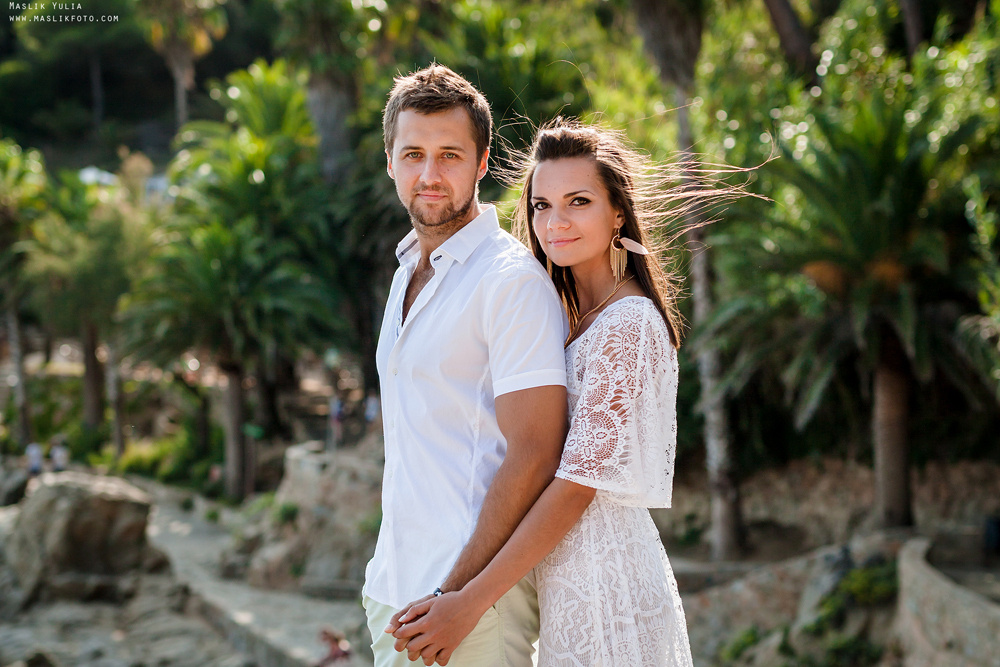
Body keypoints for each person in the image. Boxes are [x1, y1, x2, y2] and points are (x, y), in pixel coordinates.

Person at [387, 118, 702, 666]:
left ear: (618, 212)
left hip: (605, 587)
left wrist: (469, 601)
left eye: (578, 202)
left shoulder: (628, 323)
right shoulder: (570, 314)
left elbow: (575, 487)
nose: (555, 222)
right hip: (558, 582)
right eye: (541, 205)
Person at [363, 64, 570, 667]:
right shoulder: (406, 272)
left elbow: (536, 454)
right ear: (390, 162)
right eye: (413, 155)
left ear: (481, 164)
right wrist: (388, 583)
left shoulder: (510, 283)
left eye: (450, 156)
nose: (429, 175)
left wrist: (454, 595)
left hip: (468, 607)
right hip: (393, 592)